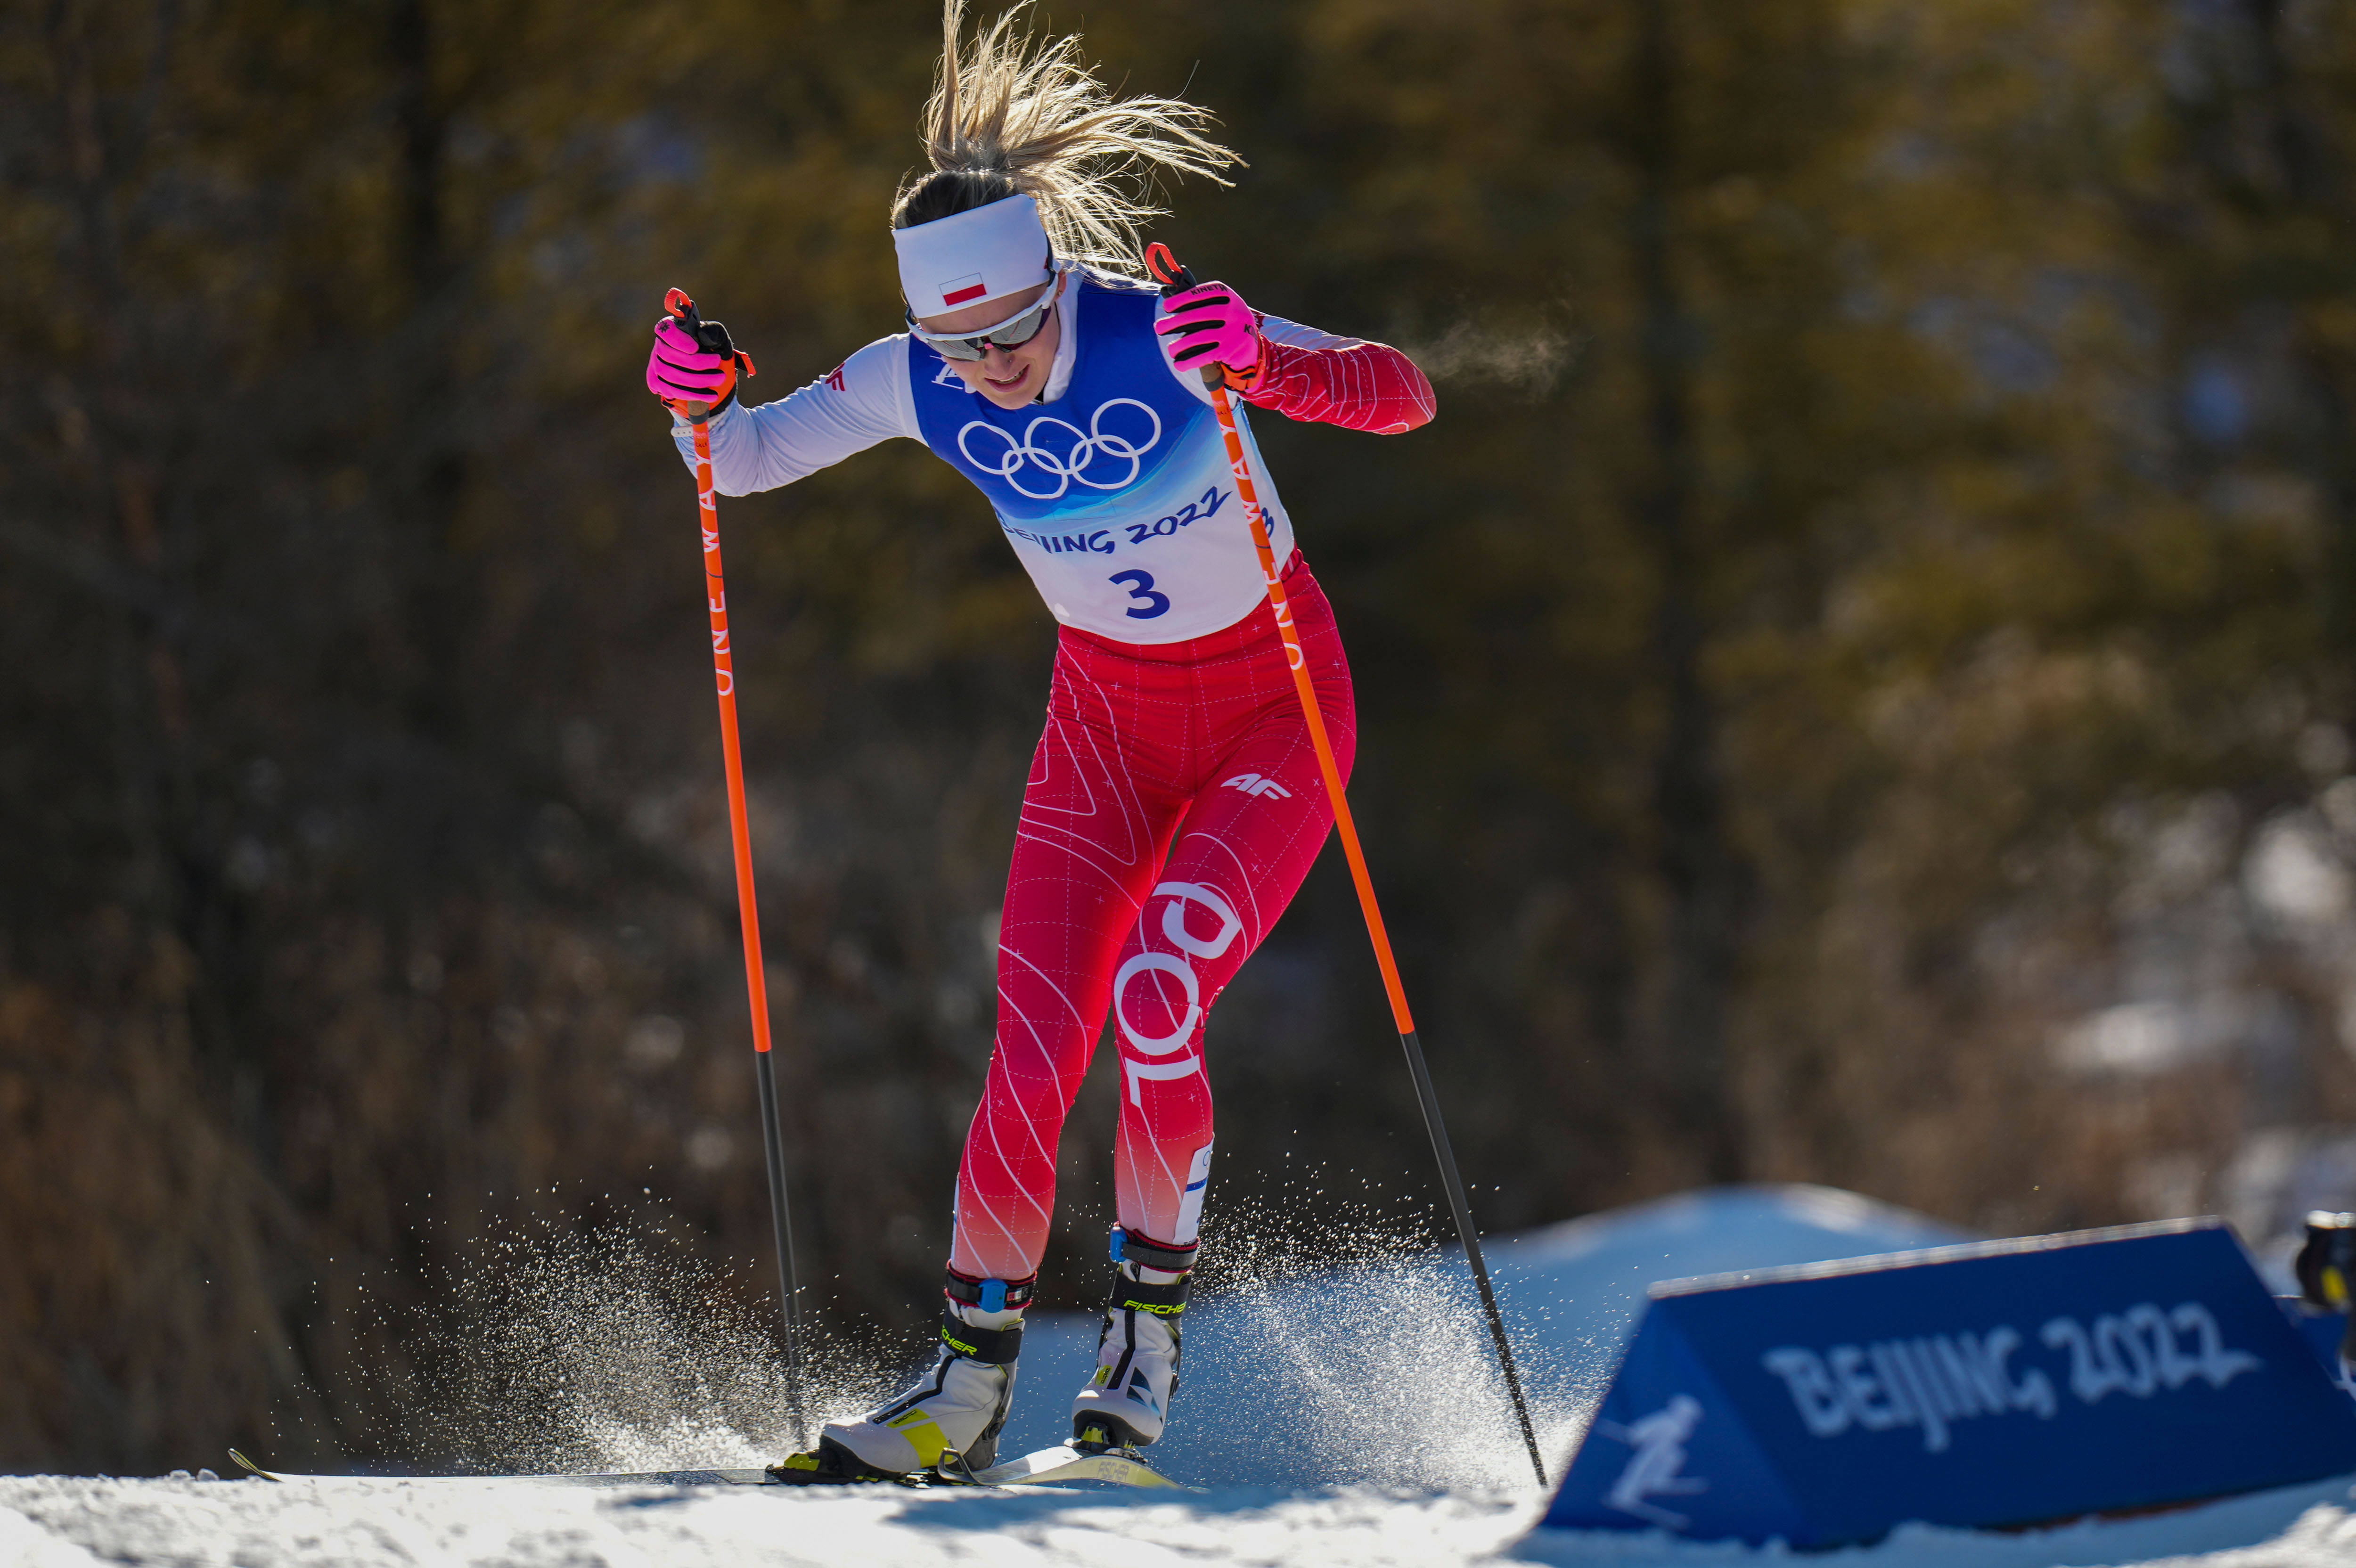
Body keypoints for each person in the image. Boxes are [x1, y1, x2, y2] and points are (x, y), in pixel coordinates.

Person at [645, 0, 1435, 1481]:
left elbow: (1404, 393)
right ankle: (961, 1391)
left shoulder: (1159, 329)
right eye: (960, 343)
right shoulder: (913, 374)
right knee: (1031, 1049)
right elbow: (739, 464)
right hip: (1104, 729)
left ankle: (1140, 1350)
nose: (993, 369)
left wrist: (1258, 356)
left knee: (1156, 995)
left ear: (1052, 288)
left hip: (1273, 704)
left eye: (1012, 331)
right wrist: (694, 403)